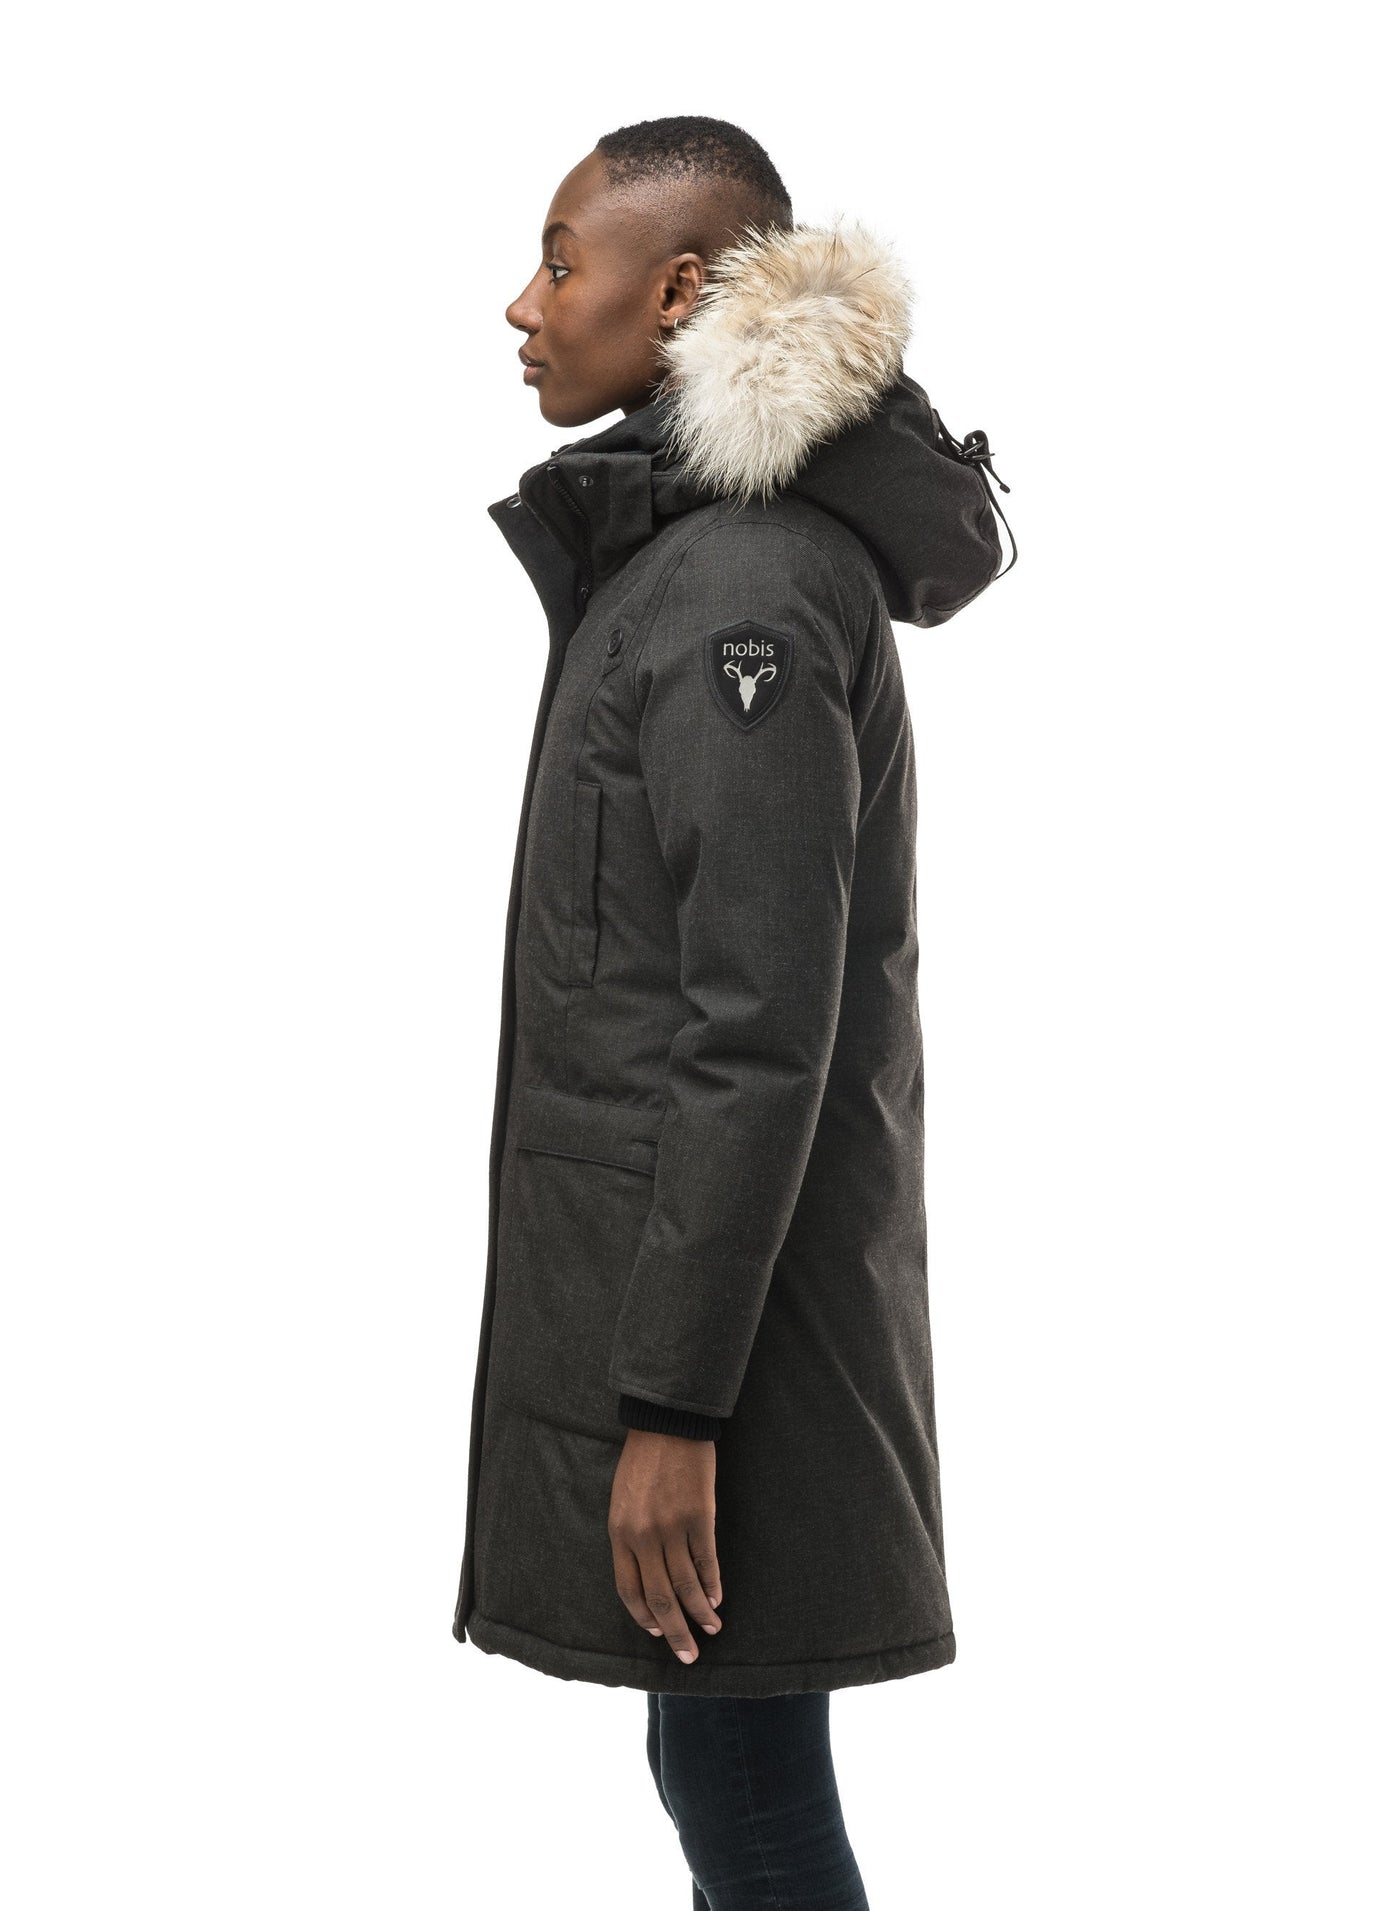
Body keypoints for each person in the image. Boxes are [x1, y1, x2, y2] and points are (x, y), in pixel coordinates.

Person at [452, 115, 1014, 1910]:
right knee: (725, 1765)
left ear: (678, 289)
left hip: (721, 1343)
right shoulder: (689, 559)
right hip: (704, 1309)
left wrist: (673, 1410)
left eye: (561, 262)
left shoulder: (739, 587)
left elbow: (758, 1025)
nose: (522, 304)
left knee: (747, 1791)